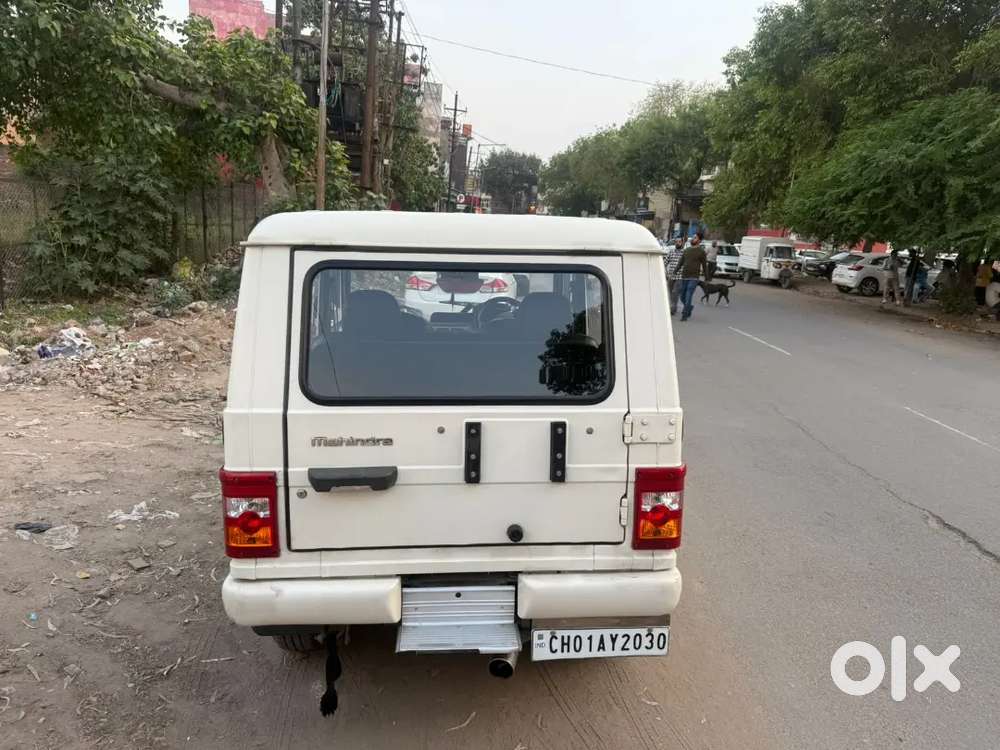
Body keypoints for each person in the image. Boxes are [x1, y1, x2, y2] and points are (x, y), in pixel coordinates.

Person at [677, 232, 708, 321]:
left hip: (694, 277)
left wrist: (706, 277)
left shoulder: (701, 252)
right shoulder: (686, 250)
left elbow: (704, 265)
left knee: (688, 295)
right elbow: (681, 262)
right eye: (693, 237)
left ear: (699, 240)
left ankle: (685, 314)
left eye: (695, 237)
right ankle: (689, 307)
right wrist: (674, 271)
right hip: (684, 276)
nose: (693, 239)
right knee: (682, 296)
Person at [664, 237, 685, 316]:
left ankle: (673, 309)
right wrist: (665, 272)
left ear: (682, 243)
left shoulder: (684, 253)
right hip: (671, 276)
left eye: (679, 242)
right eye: (676, 242)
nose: (677, 243)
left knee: (675, 293)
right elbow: (665, 262)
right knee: (670, 293)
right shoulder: (671, 252)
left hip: (679, 277)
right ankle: (672, 306)